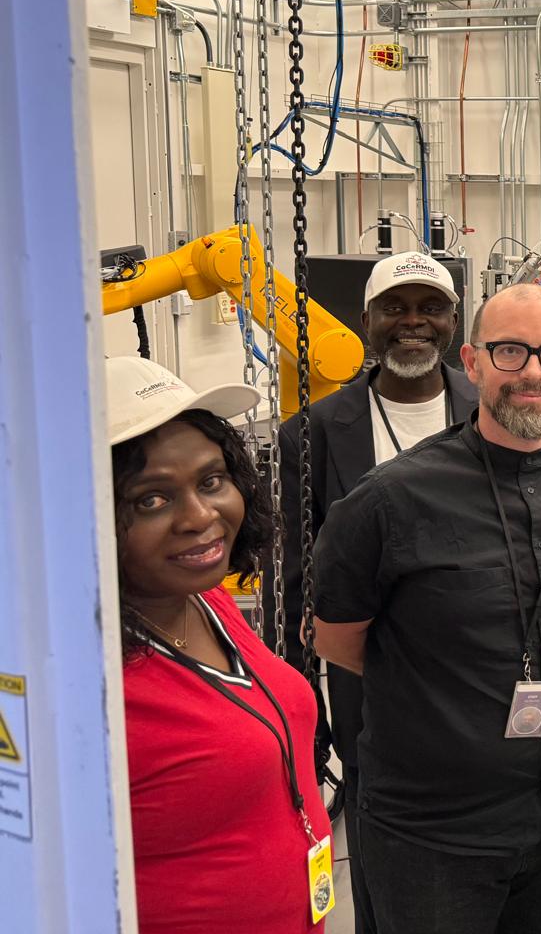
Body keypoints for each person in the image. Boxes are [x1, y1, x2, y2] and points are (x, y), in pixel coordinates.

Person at [310, 283, 541, 934]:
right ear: (472, 364)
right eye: (511, 352)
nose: (533, 373)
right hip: (433, 833)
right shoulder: (390, 501)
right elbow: (339, 641)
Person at [275, 250, 475, 934]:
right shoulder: (314, 434)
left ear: (453, 320)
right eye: (395, 308)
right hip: (367, 669)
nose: (412, 323)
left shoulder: (491, 413)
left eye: (429, 308)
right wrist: (302, 700)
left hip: (482, 665)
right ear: (366, 321)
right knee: (377, 820)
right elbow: (298, 578)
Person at [107, 355, 334, 934]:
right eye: (151, 499)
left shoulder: (207, 602)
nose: (200, 516)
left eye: (211, 481)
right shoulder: (89, 683)